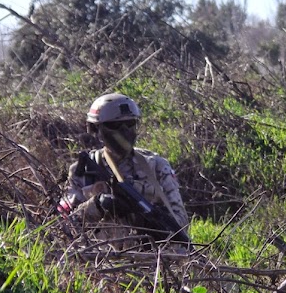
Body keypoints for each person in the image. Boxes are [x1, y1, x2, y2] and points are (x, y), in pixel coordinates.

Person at [57, 92, 190, 249]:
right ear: (95, 129)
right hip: (101, 262)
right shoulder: (83, 171)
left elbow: (181, 222)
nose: (125, 131)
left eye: (130, 123)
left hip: (154, 260)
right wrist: (97, 206)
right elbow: (65, 226)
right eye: (114, 126)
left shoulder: (156, 166)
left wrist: (149, 217)